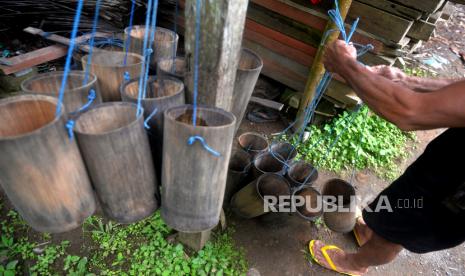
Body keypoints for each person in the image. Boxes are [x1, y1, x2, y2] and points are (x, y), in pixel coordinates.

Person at [308, 39, 465, 276]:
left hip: (454, 197)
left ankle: (356, 264)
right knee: (400, 202)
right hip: (450, 165)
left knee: (401, 228)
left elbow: (410, 111)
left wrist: (345, 64)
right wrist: (408, 81)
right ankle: (374, 230)